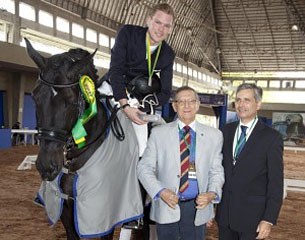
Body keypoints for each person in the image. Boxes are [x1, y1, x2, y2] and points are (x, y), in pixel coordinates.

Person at [137, 86, 224, 240]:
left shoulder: (214, 136)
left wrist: (212, 194)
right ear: (174, 106)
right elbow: (143, 168)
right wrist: (161, 191)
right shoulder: (159, 133)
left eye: (191, 101)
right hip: (167, 205)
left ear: (197, 105)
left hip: (197, 207)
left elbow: (216, 171)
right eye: (181, 102)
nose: (186, 105)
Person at [215, 83, 284, 240]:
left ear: (258, 104)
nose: (241, 105)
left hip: (253, 219)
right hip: (225, 216)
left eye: (247, 100)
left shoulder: (271, 138)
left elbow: (276, 182)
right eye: (238, 100)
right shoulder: (225, 131)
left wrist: (269, 219)